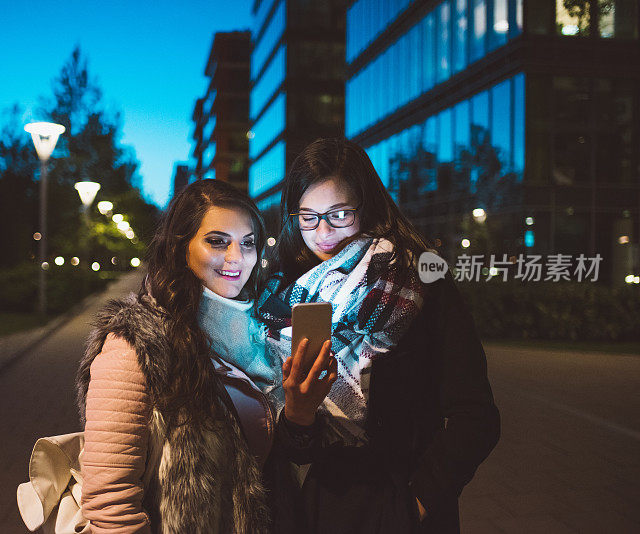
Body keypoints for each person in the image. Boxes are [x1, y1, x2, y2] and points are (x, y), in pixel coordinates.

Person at [258, 138, 501, 533]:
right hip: (325, 510)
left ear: (366, 205)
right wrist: (298, 415)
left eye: (339, 214)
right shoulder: (292, 294)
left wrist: (415, 505)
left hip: (402, 504)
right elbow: (296, 451)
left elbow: (476, 416)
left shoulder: (422, 274)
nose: (322, 233)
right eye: (308, 217)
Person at [74, 179, 277, 533]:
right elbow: (110, 505)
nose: (236, 258)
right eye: (217, 241)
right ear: (180, 246)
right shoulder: (135, 342)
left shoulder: (262, 335)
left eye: (248, 244)